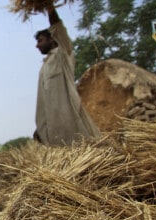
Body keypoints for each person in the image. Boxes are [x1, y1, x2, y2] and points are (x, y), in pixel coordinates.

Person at [33, 5, 101, 145]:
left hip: (72, 125)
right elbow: (43, 102)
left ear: (52, 39)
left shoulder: (63, 55)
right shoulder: (44, 67)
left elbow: (57, 27)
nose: (37, 46)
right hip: (54, 131)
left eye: (40, 40)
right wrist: (40, 127)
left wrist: (48, 6)